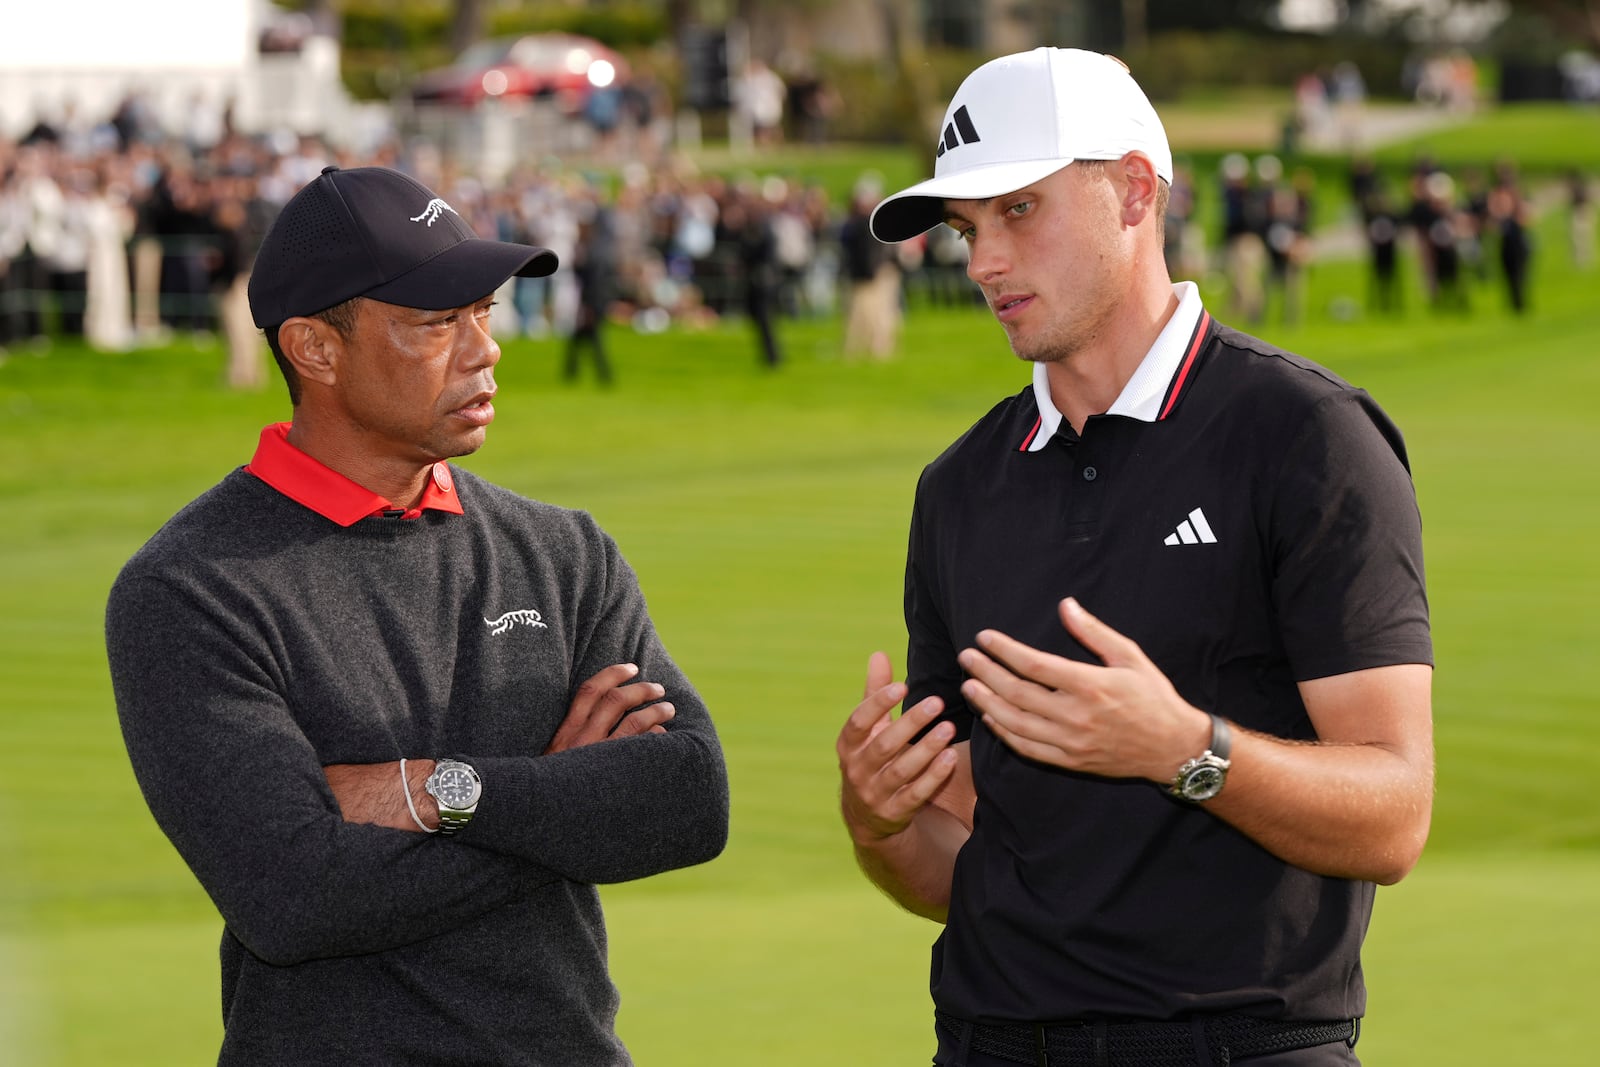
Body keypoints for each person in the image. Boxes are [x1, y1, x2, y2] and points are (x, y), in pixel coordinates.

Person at [837, 49, 1433, 1067]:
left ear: (1134, 192)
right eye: (969, 229)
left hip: (1239, 1042)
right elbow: (956, 863)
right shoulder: (957, 486)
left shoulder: (1303, 433)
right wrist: (878, 821)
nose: (982, 263)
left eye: (1018, 211)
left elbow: (1393, 814)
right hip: (989, 1043)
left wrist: (1182, 749)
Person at [105, 165, 729, 1065]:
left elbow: (686, 800)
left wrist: (438, 790)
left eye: (483, 310)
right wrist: (558, 795)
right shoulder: (191, 588)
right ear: (315, 349)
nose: (487, 348)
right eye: (439, 322)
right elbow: (293, 897)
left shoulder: (562, 549)